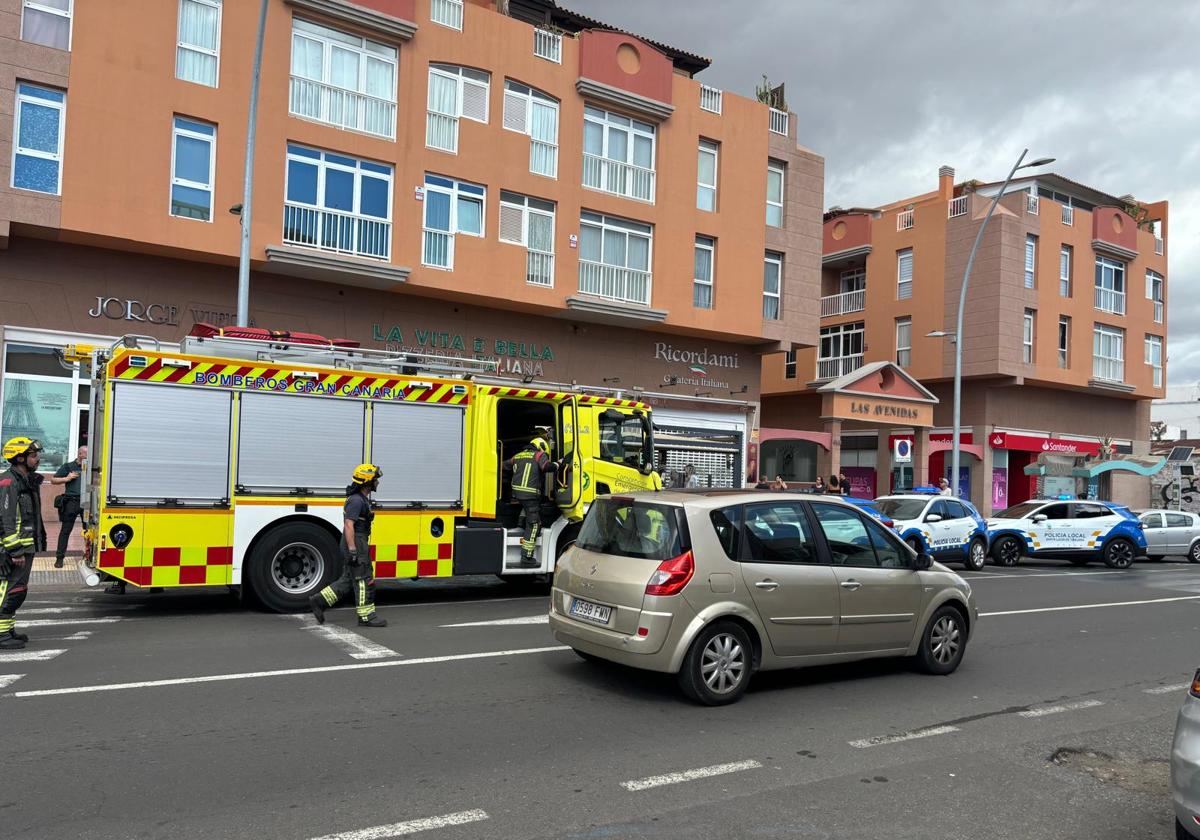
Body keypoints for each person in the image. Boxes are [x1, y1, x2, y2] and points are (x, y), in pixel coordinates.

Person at [308, 464, 387, 628]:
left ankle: (319, 601)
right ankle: (366, 617)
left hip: (356, 540)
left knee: (348, 579)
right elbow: (349, 525)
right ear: (367, 481)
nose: (378, 482)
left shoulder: (359, 498)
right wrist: (353, 550)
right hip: (356, 541)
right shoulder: (357, 501)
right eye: (375, 479)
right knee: (363, 579)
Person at [0, 437, 47, 650]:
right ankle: (1, 635)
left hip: (25, 547)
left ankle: (8, 630)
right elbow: (6, 518)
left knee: (18, 589)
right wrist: (14, 549)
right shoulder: (9, 482)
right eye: (33, 455)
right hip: (14, 549)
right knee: (9, 590)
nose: (37, 459)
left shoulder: (25, 480)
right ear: (20, 458)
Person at [509, 436, 553, 568]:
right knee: (534, 525)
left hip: (517, 494)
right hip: (530, 495)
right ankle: (527, 557)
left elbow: (504, 465)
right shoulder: (539, 455)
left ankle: (520, 523)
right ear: (541, 446)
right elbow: (546, 467)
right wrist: (558, 464)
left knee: (526, 508)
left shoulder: (518, 456)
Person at [50, 445, 86, 569]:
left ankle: (89, 556)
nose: (88, 456)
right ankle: (59, 558)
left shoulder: (92, 467)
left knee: (89, 532)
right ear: (80, 454)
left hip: (87, 502)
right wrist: (67, 478)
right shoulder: (68, 466)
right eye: (85, 454)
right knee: (65, 531)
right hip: (71, 502)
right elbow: (53, 480)